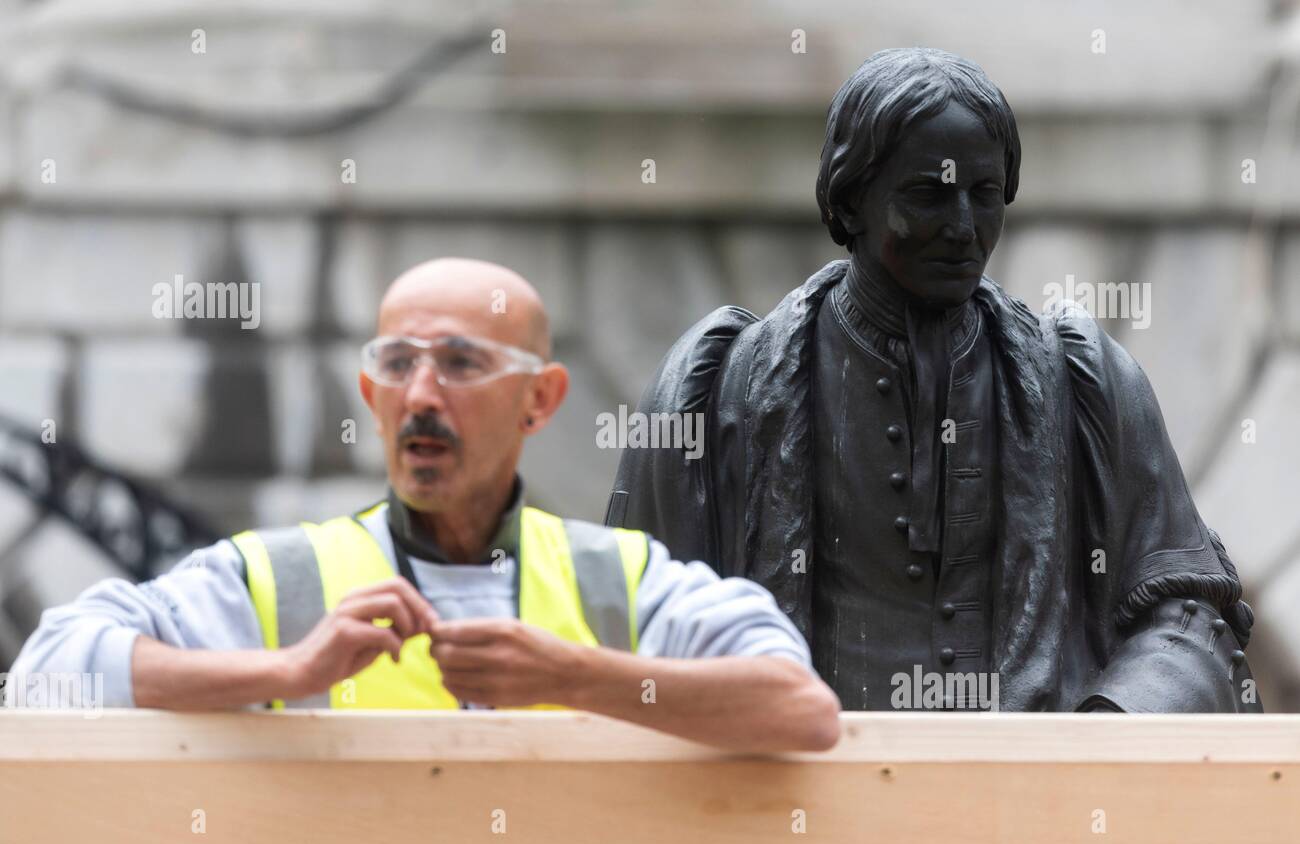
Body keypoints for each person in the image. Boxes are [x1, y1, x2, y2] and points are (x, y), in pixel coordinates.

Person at [607, 48, 1262, 713]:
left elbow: (1192, 615)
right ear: (850, 198)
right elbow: (632, 630)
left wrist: (1105, 729)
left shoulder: (1084, 384)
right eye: (927, 194)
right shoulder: (721, 388)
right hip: (795, 794)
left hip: (1032, 801)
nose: (961, 228)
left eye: (983, 195)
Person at [8, 258, 841, 751]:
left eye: (461, 362)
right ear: (369, 393)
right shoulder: (278, 574)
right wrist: (282, 673)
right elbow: (45, 673)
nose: (422, 394)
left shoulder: (617, 575)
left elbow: (799, 708)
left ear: (540, 399)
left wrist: (572, 674)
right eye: (397, 365)